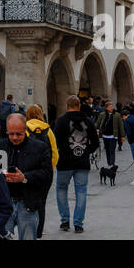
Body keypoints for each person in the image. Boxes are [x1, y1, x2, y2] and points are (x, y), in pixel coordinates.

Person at [0, 113, 52, 240]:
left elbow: (47, 174)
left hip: (28, 203)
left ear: (25, 130)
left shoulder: (40, 148)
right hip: (3, 205)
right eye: (11, 133)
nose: (14, 137)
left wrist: (24, 177)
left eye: (19, 134)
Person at [52, 95, 99, 233]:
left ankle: (65, 221)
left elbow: (55, 142)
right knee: (81, 191)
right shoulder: (89, 121)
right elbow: (95, 142)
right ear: (79, 105)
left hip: (65, 162)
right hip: (82, 163)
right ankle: (78, 224)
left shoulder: (61, 121)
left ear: (67, 106)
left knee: (61, 189)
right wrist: (86, 151)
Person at [24, 103, 57, 238]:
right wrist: (49, 169)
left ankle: (28, 227)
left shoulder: (24, 130)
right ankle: (40, 230)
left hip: (29, 172)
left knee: (28, 200)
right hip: (45, 173)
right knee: (42, 201)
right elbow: (54, 153)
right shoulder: (48, 131)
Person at [95, 100, 125, 170]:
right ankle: (109, 163)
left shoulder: (117, 115)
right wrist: (95, 129)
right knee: (107, 150)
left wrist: (123, 136)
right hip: (105, 135)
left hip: (113, 136)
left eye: (112, 106)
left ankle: (112, 164)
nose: (112, 108)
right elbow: (97, 123)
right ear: (106, 108)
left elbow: (121, 126)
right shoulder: (102, 114)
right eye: (110, 107)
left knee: (112, 150)